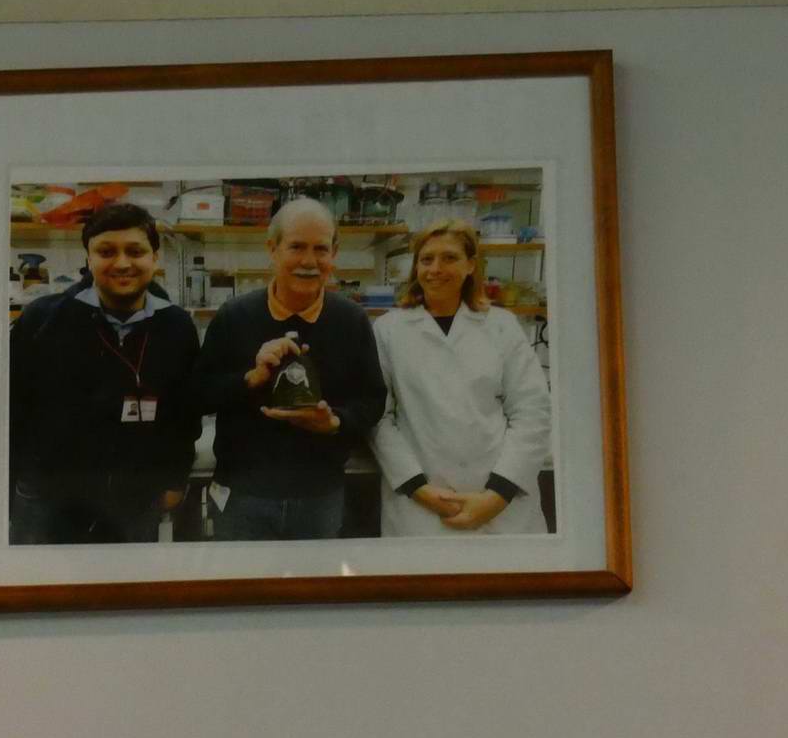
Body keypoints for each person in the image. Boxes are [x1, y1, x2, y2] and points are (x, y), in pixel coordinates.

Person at [192, 197, 386, 540]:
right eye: (296, 247)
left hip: (320, 496)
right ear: (273, 249)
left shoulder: (351, 321)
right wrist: (250, 378)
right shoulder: (234, 317)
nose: (309, 261)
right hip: (242, 494)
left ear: (334, 253)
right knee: (241, 574)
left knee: (313, 577)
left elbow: (372, 401)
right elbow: (199, 395)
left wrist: (334, 422)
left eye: (320, 249)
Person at [9, 204, 200, 544]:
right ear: (88, 258)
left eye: (135, 251)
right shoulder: (43, 320)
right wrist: (12, 486)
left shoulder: (176, 326)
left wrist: (175, 479)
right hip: (47, 502)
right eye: (106, 251)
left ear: (155, 258)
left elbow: (184, 413)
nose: (122, 263)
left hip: (134, 505)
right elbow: (10, 409)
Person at [370, 219, 551, 536]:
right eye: (426, 259)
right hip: (420, 510)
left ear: (470, 265)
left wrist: (497, 496)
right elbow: (378, 418)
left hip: (501, 510)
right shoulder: (388, 330)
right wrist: (420, 490)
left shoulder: (502, 326)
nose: (435, 269)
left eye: (449, 258)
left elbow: (532, 411)